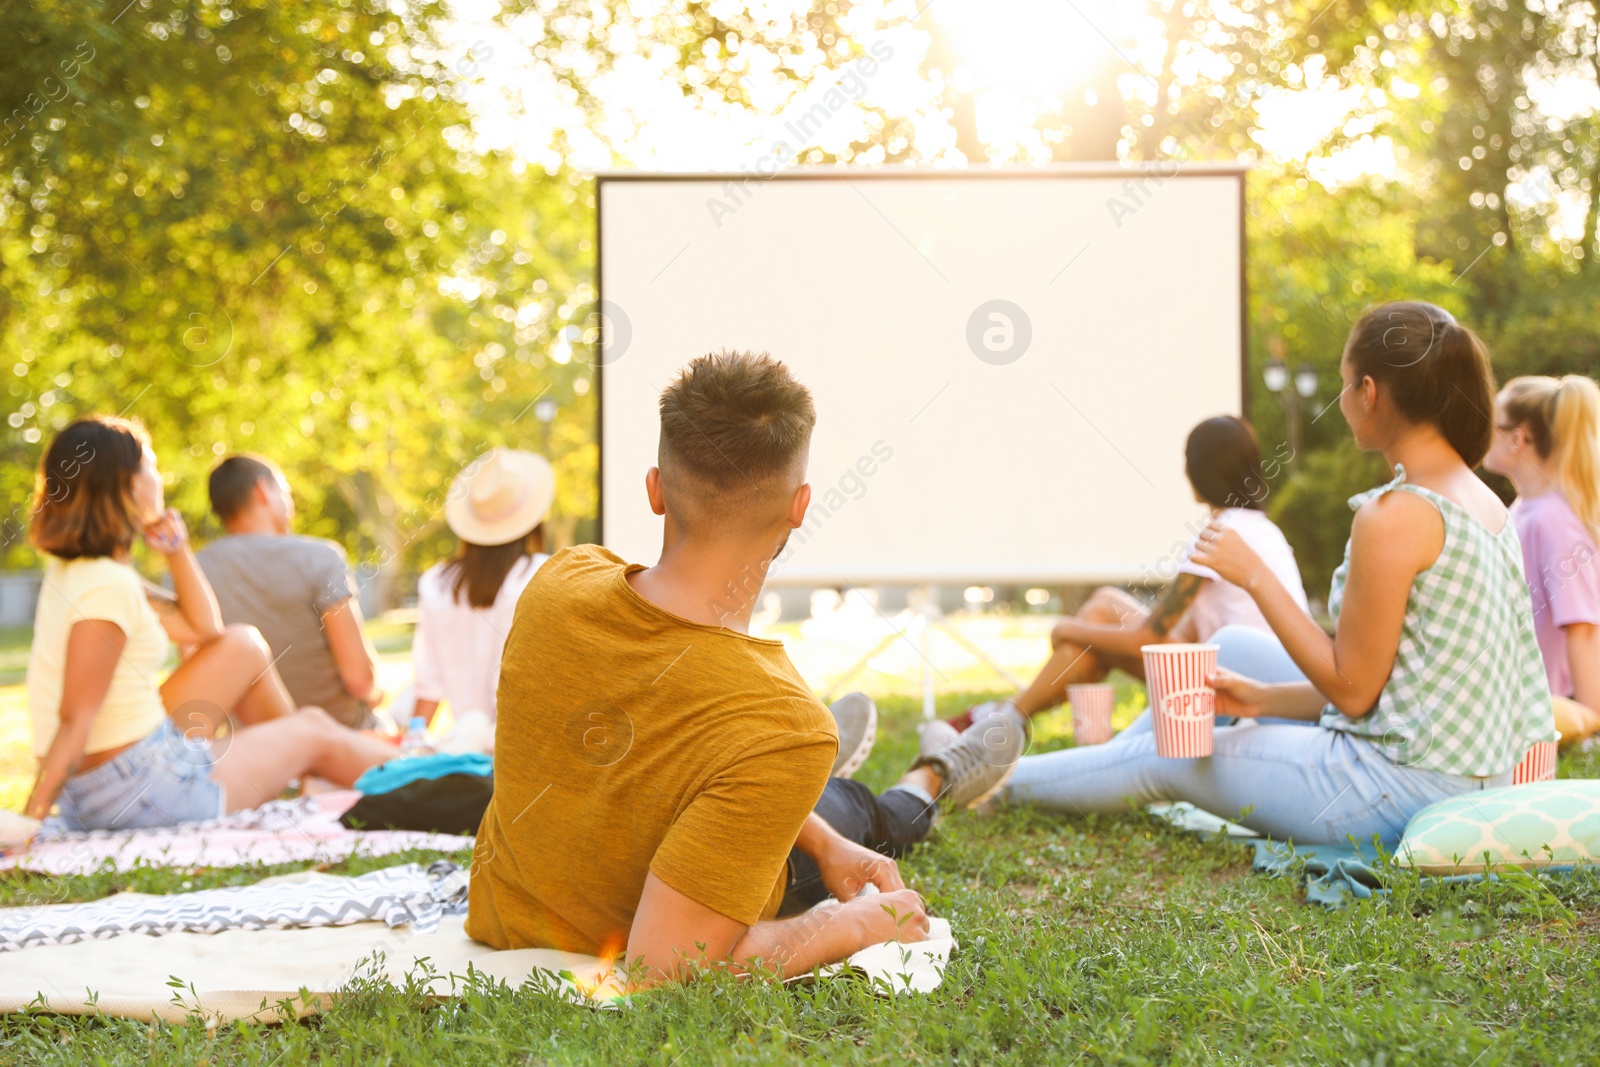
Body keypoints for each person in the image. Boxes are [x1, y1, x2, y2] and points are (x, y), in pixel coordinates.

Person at [466, 352, 1027, 987]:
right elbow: (666, 966)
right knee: (861, 810)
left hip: (504, 916)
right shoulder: (785, 724)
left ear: (654, 489)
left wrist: (824, 845)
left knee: (812, 802)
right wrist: (859, 923)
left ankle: (801, 792)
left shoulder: (557, 581)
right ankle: (933, 774)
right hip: (738, 804)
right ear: (800, 505)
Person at [1000, 301, 1554, 847]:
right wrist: (1263, 700)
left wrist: (1255, 577)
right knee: (1234, 644)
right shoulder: (1485, 503)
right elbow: (1396, 687)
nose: (1342, 401)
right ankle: (1094, 764)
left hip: (1396, 791)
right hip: (1474, 777)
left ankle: (992, 779)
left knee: (1172, 752)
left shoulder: (1395, 514)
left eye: (1343, 385)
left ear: (1368, 392)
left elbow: (1355, 694)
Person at [18, 417, 397, 835]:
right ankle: (444, 777)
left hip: (116, 780)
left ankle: (317, 767)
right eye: (151, 466)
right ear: (127, 483)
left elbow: (204, 629)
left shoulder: (81, 572)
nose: (159, 479)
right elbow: (75, 718)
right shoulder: (107, 586)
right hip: (136, 792)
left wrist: (177, 552)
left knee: (242, 643)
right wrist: (28, 825)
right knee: (312, 731)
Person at [939, 415, 1308, 740]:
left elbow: (1148, 638)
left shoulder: (1217, 536)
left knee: (1100, 612)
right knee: (1101, 619)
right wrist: (1096, 642)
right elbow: (1186, 636)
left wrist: (1069, 628)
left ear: (1200, 471)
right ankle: (1003, 718)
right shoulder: (1264, 530)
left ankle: (1000, 720)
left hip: (1239, 689)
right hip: (1271, 682)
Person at [197, 453, 385, 728]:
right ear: (263, 490)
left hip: (258, 745)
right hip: (341, 737)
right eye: (286, 492)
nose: (291, 504)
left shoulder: (195, 570)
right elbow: (359, 681)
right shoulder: (320, 557)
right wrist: (376, 694)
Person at [1483, 374, 1600, 746]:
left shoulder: (1553, 519)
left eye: (1491, 422)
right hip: (1524, 705)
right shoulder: (1524, 509)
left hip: (1550, 712)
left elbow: (1581, 626)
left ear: (1517, 439)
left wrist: (1591, 725)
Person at [411, 448, 555, 730]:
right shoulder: (543, 575)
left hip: (468, 751)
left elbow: (428, 685)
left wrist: (411, 747)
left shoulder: (437, 583)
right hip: (522, 747)